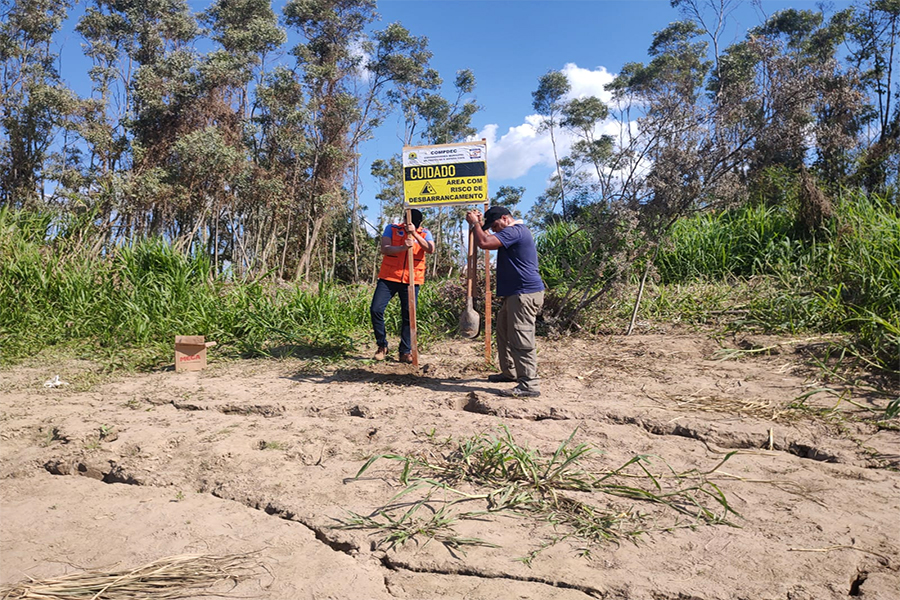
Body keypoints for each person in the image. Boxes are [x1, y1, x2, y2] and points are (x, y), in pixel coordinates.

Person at [465, 206, 545, 397]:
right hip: (514, 294)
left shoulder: (515, 231)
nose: (494, 230)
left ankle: (529, 384)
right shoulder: (510, 231)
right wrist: (477, 223)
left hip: (524, 294)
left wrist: (476, 224)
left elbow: (484, 242)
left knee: (521, 337)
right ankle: (511, 372)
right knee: (504, 332)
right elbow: (483, 237)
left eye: (495, 225)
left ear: (505, 218)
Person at [371, 209, 435, 363]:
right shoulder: (392, 229)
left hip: (412, 280)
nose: (409, 224)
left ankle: (405, 351)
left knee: (409, 315)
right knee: (376, 309)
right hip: (389, 277)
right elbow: (384, 249)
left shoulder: (425, 233)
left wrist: (415, 235)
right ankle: (382, 346)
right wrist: (402, 248)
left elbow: (430, 249)